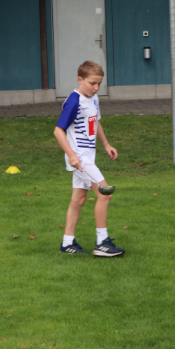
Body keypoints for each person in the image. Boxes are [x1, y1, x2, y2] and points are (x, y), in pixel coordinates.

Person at [53, 61, 125, 257]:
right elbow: (58, 131)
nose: (96, 88)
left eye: (99, 84)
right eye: (92, 83)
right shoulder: (74, 101)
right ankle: (102, 242)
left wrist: (106, 144)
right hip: (80, 159)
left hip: (87, 157)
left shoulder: (93, 99)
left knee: (78, 199)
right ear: (80, 79)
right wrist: (72, 156)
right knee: (105, 193)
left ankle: (67, 243)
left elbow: (95, 122)